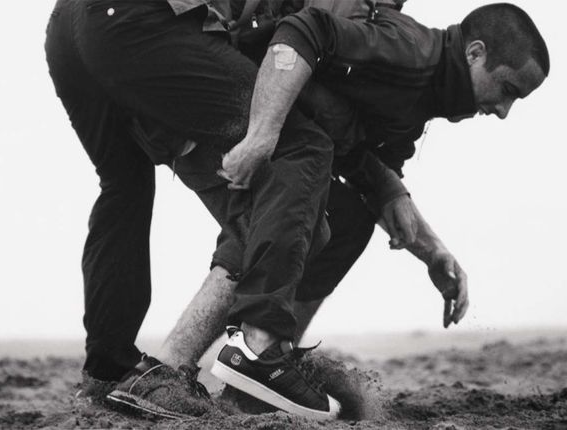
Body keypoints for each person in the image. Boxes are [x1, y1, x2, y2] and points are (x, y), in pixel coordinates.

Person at [99, 0, 550, 420]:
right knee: (290, 193)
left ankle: (260, 376)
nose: (504, 111)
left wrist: (432, 251)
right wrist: (262, 135)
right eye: (507, 89)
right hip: (213, 86)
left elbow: (372, 175)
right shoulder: (411, 50)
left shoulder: (421, 96)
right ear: (475, 53)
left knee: (347, 219)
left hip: (269, 116)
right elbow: (304, 30)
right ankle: (177, 368)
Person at [45, 0, 349, 420]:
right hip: (136, 17)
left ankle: (107, 369)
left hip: (70, 25)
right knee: (299, 145)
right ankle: (257, 350)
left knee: (124, 185)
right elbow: (295, 36)